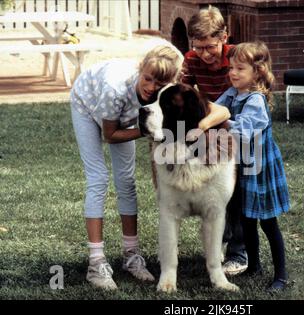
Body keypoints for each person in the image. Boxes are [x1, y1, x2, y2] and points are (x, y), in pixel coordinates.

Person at [70, 45, 230, 290]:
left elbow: (221, 110)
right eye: (147, 79)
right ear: (140, 69)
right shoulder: (114, 89)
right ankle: (96, 262)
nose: (151, 87)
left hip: (125, 115)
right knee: (98, 178)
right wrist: (148, 130)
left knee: (126, 180)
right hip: (88, 102)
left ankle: (131, 256)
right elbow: (110, 134)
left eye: (160, 83)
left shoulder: (163, 91)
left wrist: (201, 124)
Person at [215, 42, 291, 291]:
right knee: (246, 219)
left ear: (257, 72)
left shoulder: (255, 100)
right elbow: (215, 108)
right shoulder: (232, 93)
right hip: (243, 167)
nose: (233, 73)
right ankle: (254, 266)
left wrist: (223, 121)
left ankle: (280, 276)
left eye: (240, 68)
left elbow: (242, 132)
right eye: (231, 68)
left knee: (268, 222)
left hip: (260, 169)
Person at [181, 5, 248, 276]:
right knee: (214, 190)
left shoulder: (237, 58)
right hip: (211, 133)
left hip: (240, 129)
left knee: (237, 194)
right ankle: (218, 240)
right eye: (198, 47)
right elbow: (183, 92)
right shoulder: (191, 59)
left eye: (210, 47)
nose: (204, 54)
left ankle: (238, 252)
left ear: (224, 37)